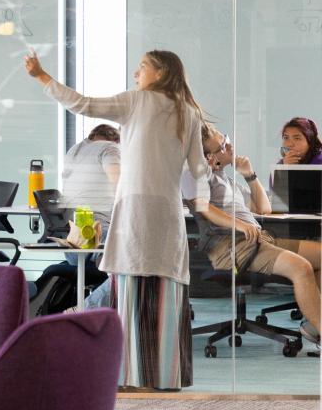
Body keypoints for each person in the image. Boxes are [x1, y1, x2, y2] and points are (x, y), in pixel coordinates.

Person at [25, 49, 209, 390]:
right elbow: (199, 170)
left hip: (136, 208)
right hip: (168, 210)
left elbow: (83, 104)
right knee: (165, 288)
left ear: (160, 72)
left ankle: (130, 376)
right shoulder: (189, 112)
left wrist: (42, 76)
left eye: (142, 67)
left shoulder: (137, 101)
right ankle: (165, 377)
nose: (135, 73)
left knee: (130, 287)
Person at [182, 123, 321, 344]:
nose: (230, 146)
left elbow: (264, 208)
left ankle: (315, 324)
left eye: (226, 140)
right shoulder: (195, 174)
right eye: (223, 145)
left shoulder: (227, 181)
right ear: (209, 156)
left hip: (258, 239)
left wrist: (249, 175)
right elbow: (203, 207)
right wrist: (238, 224)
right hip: (233, 246)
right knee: (301, 267)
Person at [32, 124, 121, 312]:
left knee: (122, 265)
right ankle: (84, 310)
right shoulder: (109, 148)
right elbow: (119, 184)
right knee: (127, 269)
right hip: (95, 233)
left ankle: (94, 311)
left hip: (72, 240)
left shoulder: (74, 150)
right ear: (116, 139)